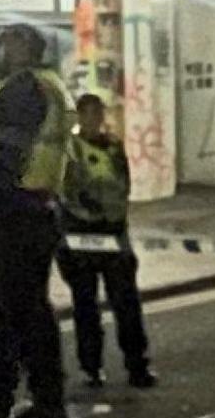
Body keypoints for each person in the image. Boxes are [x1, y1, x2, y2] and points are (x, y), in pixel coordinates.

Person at [0, 23, 75, 418]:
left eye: (8, 44)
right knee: (32, 313)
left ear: (26, 46)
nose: (2, 52)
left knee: (1, 314)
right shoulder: (48, 85)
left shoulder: (26, 88)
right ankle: (48, 404)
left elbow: (7, 149)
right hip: (35, 208)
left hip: (11, 210)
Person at [55, 91, 152, 389]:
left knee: (126, 304)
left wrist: (116, 217)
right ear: (79, 117)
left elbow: (123, 183)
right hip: (82, 236)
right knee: (86, 306)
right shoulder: (69, 150)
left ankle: (137, 365)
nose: (95, 120)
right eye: (89, 114)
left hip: (112, 231)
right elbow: (65, 192)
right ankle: (91, 368)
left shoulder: (113, 146)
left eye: (98, 114)